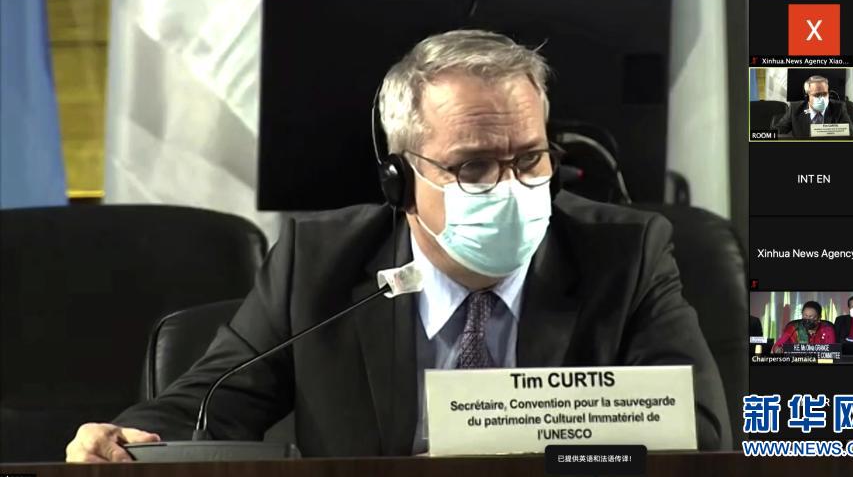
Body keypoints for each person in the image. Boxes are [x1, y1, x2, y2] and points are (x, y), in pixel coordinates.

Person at [65, 29, 730, 462]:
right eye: (473, 166)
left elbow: (700, 436)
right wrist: (122, 439)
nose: (511, 187)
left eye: (530, 158)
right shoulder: (318, 262)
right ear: (400, 180)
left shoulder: (626, 253)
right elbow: (208, 405)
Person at [773, 75, 853, 137]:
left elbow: (850, 133)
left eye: (824, 94)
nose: (822, 98)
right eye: (817, 95)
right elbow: (776, 131)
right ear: (807, 96)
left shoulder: (838, 108)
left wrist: (821, 131)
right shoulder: (795, 109)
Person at [772, 301, 836, 353]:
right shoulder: (794, 328)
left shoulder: (827, 330)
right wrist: (778, 350)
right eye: (805, 316)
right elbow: (776, 346)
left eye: (811, 317)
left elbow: (831, 352)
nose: (807, 319)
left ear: (819, 318)